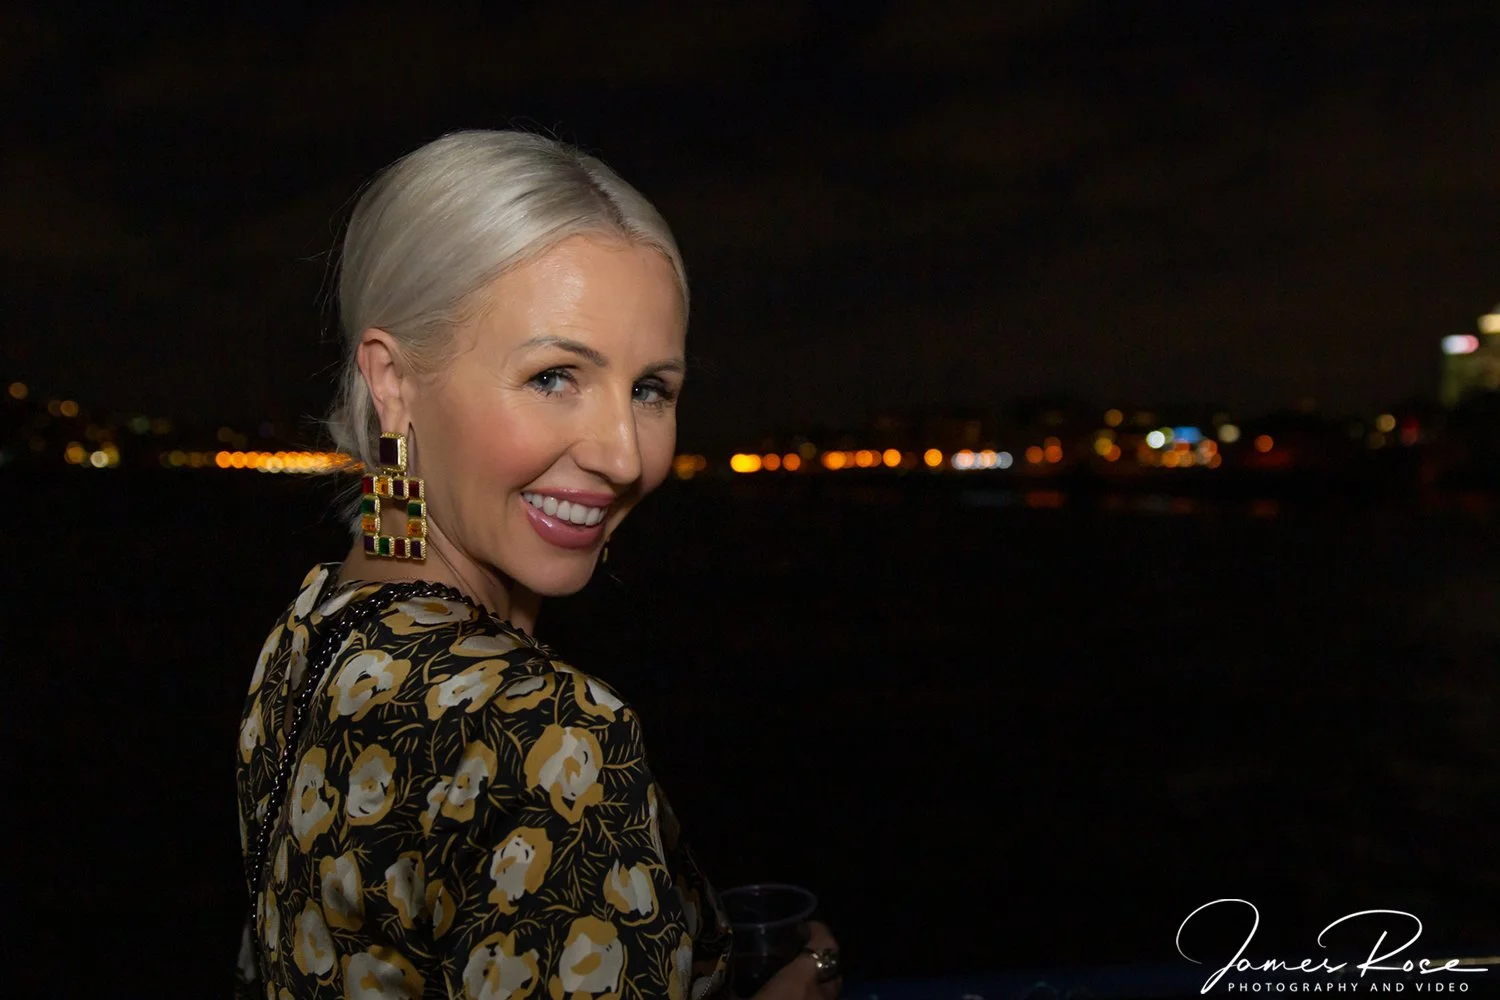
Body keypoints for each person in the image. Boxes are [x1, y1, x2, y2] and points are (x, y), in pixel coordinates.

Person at [233, 130, 843, 1000]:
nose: (624, 456)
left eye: (650, 389)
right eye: (555, 376)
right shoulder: (553, 737)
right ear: (392, 381)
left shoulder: (309, 630)